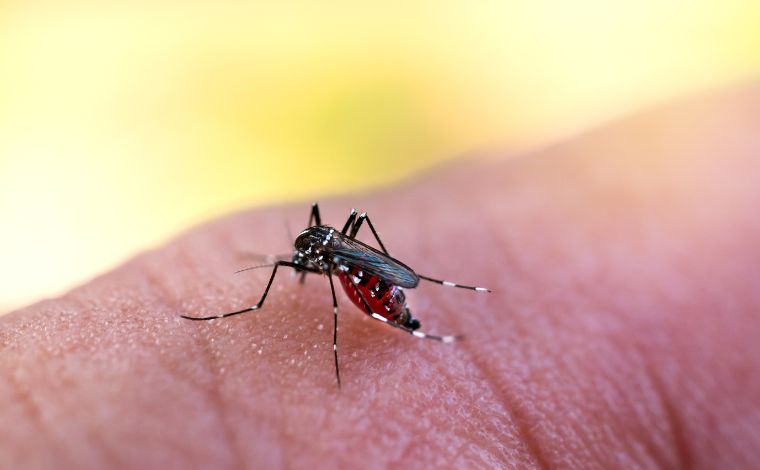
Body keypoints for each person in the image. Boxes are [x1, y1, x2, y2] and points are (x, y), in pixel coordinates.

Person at [1, 84, 759, 468]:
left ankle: (417, 297)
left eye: (306, 257)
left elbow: (329, 273)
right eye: (310, 255)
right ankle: (420, 295)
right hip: (366, 267)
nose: (303, 263)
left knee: (346, 289)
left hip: (376, 280)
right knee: (343, 256)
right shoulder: (316, 243)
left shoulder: (332, 260)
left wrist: (365, 294)